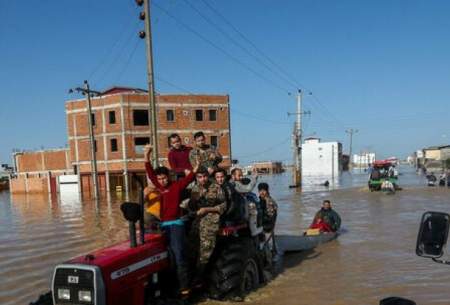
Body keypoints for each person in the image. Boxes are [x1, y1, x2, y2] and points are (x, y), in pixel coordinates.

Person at [144, 145, 197, 297]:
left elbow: (190, 177)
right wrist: (147, 154)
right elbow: (148, 169)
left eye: (164, 177)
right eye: (159, 178)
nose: (162, 180)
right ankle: (165, 287)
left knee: (179, 255)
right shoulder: (159, 187)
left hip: (176, 225)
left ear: (169, 176)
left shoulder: (177, 186)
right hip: (163, 227)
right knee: (166, 257)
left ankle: (184, 288)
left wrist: (196, 167)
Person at [188, 167, 227, 284]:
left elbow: (223, 206)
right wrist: (193, 202)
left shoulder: (216, 187)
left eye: (204, 176)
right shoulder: (194, 188)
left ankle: (200, 278)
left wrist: (207, 209)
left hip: (211, 221)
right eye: (200, 177)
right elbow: (191, 207)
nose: (203, 179)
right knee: (192, 249)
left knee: (206, 251)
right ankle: (192, 276)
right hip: (197, 222)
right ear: (196, 178)